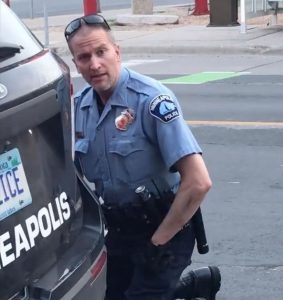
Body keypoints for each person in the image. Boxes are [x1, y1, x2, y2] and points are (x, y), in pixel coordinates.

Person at [64, 14, 221, 300]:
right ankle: (188, 290)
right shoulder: (80, 110)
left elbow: (198, 182)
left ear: (117, 51)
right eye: (84, 56)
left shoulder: (152, 100)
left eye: (101, 52)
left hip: (166, 229)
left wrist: (159, 242)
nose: (95, 64)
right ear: (76, 64)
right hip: (119, 231)